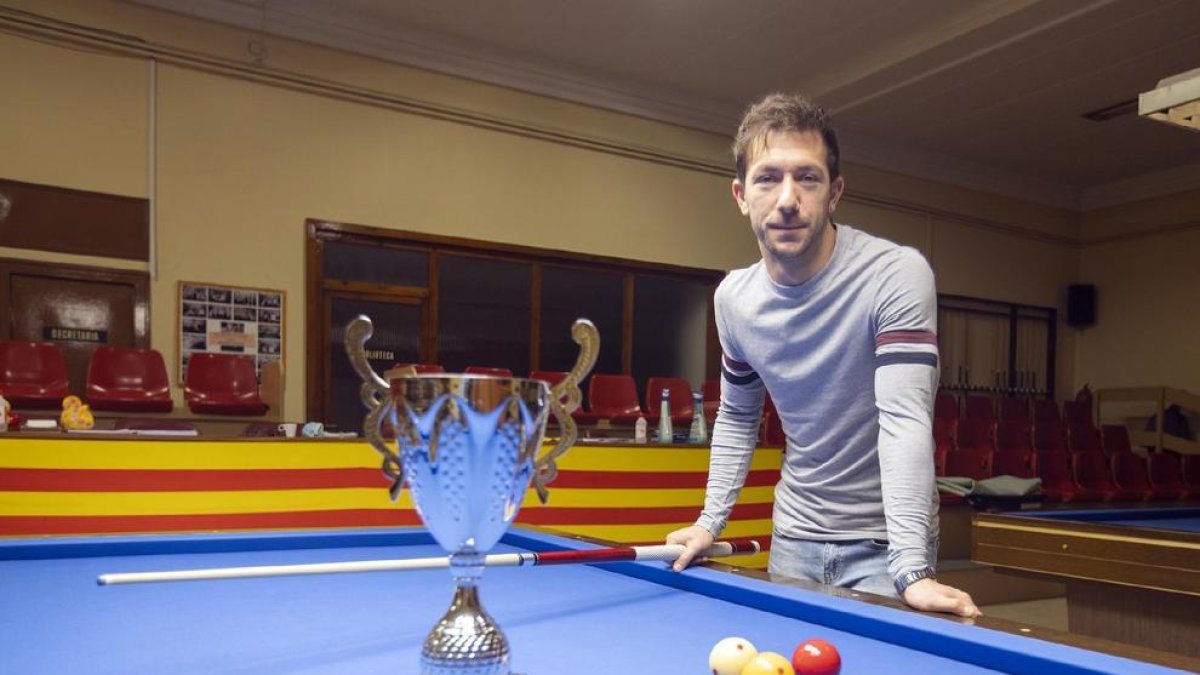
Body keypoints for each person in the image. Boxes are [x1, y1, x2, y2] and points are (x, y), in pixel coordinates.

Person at [666, 93, 980, 618]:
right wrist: (708, 522)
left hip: (887, 546)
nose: (787, 198)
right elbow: (739, 417)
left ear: (834, 193)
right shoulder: (733, 299)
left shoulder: (896, 274)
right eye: (768, 178)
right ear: (741, 195)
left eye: (807, 178)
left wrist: (910, 568)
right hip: (793, 535)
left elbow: (904, 419)